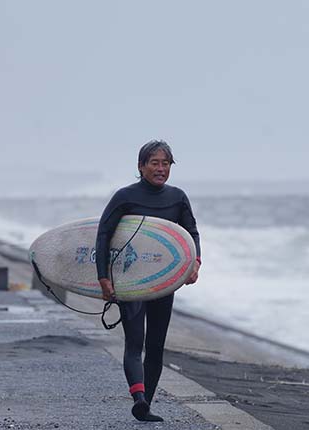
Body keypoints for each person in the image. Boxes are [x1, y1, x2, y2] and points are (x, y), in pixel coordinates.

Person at [95, 140, 201, 422]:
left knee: (155, 346)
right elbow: (103, 234)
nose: (161, 168)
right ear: (141, 166)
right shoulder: (124, 197)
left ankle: (145, 406)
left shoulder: (177, 198)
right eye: (154, 163)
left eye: (166, 163)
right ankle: (138, 397)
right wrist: (103, 276)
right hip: (130, 281)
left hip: (162, 282)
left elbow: (191, 233)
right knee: (134, 342)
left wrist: (194, 263)